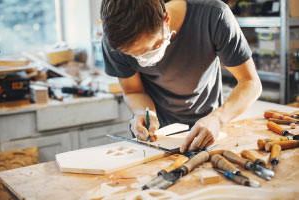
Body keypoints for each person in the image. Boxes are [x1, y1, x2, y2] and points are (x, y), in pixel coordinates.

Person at [100, 0, 262, 153]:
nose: (142, 60)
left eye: (150, 49)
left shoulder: (213, 16)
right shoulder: (114, 42)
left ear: (166, 19)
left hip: (208, 131)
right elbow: (133, 91)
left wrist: (218, 119)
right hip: (155, 140)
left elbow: (250, 82)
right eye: (133, 55)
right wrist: (144, 113)